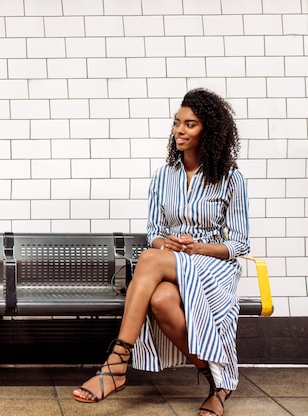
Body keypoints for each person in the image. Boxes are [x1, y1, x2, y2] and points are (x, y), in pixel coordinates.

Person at [72, 88, 249, 416]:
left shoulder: (230, 179)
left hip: (211, 267)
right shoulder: (163, 176)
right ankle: (219, 382)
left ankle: (116, 364)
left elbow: (240, 243)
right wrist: (165, 243)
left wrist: (199, 247)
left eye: (190, 125)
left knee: (150, 259)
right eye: (177, 123)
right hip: (171, 261)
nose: (180, 130)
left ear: (208, 131)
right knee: (161, 300)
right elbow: (155, 232)